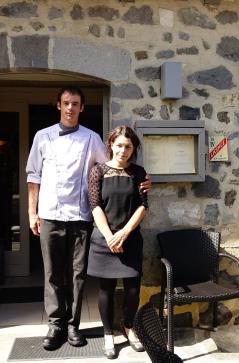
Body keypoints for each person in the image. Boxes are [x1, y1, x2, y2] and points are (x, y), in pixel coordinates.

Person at [26, 87, 150, 350]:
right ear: (58, 105)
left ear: (82, 108)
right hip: (49, 214)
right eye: (66, 103)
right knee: (52, 273)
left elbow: (114, 168)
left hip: (81, 216)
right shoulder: (42, 137)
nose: (70, 108)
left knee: (77, 274)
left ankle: (73, 325)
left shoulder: (91, 138)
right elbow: (33, 177)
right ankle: (55, 324)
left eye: (75, 104)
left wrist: (143, 182)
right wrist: (31, 212)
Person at [87, 126, 148, 359]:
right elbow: (95, 205)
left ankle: (129, 328)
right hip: (104, 240)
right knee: (106, 290)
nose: (123, 150)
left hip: (130, 238)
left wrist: (124, 233)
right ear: (111, 144)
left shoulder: (139, 173)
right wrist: (110, 236)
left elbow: (143, 205)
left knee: (133, 289)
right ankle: (107, 334)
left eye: (128, 146)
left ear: (134, 149)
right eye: (119, 145)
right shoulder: (98, 171)